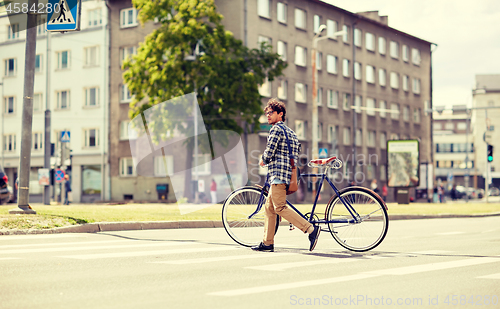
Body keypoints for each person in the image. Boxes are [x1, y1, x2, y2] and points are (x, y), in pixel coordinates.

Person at [252, 98, 321, 252]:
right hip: (288, 174)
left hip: (278, 175)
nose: (268, 116)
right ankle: (267, 243)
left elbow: (269, 151)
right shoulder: (291, 132)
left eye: (271, 113)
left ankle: (311, 229)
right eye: (267, 113)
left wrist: (263, 160)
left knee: (280, 208)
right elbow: (296, 152)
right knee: (269, 208)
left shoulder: (276, 129)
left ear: (280, 114)